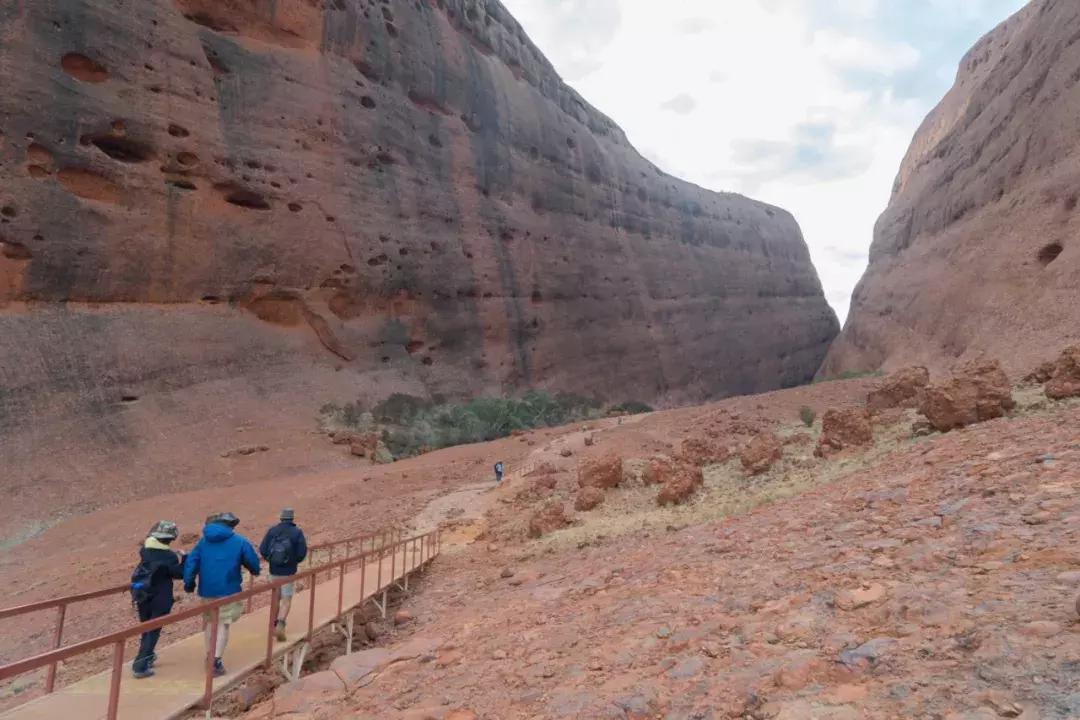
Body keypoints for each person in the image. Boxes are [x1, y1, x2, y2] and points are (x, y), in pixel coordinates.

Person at [183, 511, 260, 677]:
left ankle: (209, 654)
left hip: (207, 590)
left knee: (210, 622)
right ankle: (216, 661)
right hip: (229, 589)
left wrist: (189, 583)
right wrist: (255, 571)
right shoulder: (239, 541)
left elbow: (191, 562)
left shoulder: (202, 543)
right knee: (223, 623)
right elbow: (252, 561)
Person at [130, 521, 185, 679]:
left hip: (142, 595)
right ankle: (140, 665)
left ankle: (148, 656)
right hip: (160, 597)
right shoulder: (169, 556)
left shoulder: (144, 551)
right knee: (153, 630)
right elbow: (179, 574)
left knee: (146, 628)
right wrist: (185, 558)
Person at [259, 508, 308, 642]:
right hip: (289, 572)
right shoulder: (297, 532)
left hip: (274, 570)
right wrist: (293, 561)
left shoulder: (272, 531)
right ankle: (280, 624)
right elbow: (302, 552)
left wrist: (271, 560)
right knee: (286, 599)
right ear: (292, 518)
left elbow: (263, 549)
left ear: (281, 518)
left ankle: (272, 625)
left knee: (276, 598)